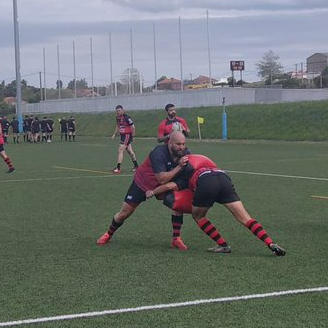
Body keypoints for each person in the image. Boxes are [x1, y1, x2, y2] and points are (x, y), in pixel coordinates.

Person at [147, 154, 286, 256]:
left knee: (198, 216)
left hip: (206, 182)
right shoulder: (206, 165)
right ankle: (270, 243)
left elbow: (168, 186)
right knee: (245, 218)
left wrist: (152, 192)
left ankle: (223, 245)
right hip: (223, 177)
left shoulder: (185, 176)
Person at [96, 131, 190, 250]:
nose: (182, 147)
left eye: (183, 144)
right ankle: (108, 234)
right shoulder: (158, 153)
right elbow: (161, 179)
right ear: (170, 143)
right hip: (143, 183)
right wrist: (179, 166)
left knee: (178, 205)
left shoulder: (185, 153)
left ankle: (176, 239)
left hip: (163, 186)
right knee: (124, 214)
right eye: (178, 144)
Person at [110, 105, 139, 173]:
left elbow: (133, 127)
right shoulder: (117, 117)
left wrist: (133, 136)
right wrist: (114, 134)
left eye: (119, 110)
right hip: (123, 135)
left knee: (120, 150)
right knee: (130, 152)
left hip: (127, 135)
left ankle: (118, 168)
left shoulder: (127, 117)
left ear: (123, 110)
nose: (118, 112)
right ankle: (136, 166)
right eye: (117, 111)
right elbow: (118, 125)